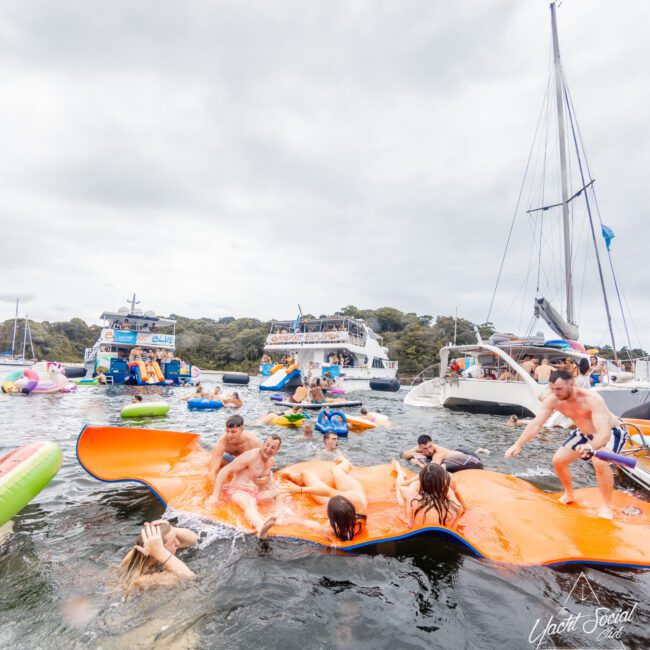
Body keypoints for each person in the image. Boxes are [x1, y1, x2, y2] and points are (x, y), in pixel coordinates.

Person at [504, 369, 625, 519]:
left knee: (599, 461)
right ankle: (569, 494)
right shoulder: (553, 399)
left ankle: (606, 506)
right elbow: (536, 424)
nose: (555, 393)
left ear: (571, 384)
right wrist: (518, 444)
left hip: (610, 432)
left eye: (559, 389)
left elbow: (604, 434)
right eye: (552, 389)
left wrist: (590, 447)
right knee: (558, 461)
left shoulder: (592, 399)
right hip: (583, 433)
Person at [208, 434, 283, 538]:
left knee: (282, 489)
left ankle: (282, 514)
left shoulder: (271, 461)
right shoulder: (250, 456)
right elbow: (225, 470)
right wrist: (214, 496)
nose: (268, 449)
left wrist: (266, 481)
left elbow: (266, 479)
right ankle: (260, 527)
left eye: (273, 447)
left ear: (277, 450)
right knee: (250, 502)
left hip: (255, 493)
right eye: (267, 445)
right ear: (263, 444)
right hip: (238, 491)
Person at [279, 458, 368, 542]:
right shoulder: (356, 501)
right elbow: (327, 492)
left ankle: (345, 464)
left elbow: (305, 523)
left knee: (310, 474)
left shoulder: (330, 529)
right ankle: (345, 463)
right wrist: (299, 490)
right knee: (334, 470)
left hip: (349, 496)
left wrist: (283, 520)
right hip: (352, 492)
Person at [119, 520, 197, 591]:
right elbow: (188, 577)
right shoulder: (141, 580)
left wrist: (171, 529)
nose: (178, 543)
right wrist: (161, 552)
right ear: (158, 548)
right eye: (173, 541)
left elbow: (193, 540)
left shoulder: (141, 552)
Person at [392, 461, 463, 529]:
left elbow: (401, 486)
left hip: (416, 526)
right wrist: (453, 486)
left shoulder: (414, 499)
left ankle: (400, 472)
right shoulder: (457, 507)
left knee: (399, 488)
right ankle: (436, 476)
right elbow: (455, 497)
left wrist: (417, 478)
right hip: (443, 535)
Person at [401, 435, 484, 472]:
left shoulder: (438, 453)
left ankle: (479, 451)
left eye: (430, 446)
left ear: (432, 443)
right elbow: (404, 454)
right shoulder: (418, 448)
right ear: (420, 447)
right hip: (453, 452)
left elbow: (432, 470)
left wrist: (418, 462)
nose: (429, 450)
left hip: (466, 456)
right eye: (425, 448)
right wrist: (414, 454)